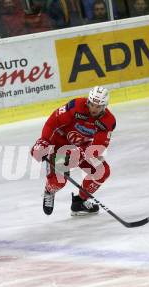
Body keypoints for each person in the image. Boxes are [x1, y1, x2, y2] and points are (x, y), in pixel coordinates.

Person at [31, 86, 116, 216]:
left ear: (104, 106)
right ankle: (49, 190)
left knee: (102, 171)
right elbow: (52, 123)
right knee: (58, 182)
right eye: (92, 104)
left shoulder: (108, 121)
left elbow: (99, 145)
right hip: (60, 148)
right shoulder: (75, 106)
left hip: (83, 148)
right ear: (88, 101)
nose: (94, 109)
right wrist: (43, 141)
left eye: (98, 107)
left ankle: (80, 202)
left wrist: (81, 153)